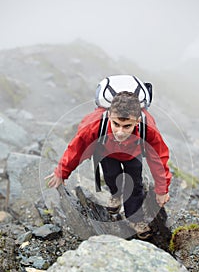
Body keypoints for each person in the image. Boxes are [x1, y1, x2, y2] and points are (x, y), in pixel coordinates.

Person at [45, 91, 172, 239]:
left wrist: (162, 189)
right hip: (106, 152)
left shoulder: (148, 128)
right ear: (110, 116)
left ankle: (135, 220)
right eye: (116, 124)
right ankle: (116, 195)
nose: (120, 132)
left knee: (135, 185)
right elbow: (76, 149)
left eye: (127, 126)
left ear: (137, 121)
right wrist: (62, 172)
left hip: (133, 154)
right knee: (111, 177)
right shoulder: (95, 125)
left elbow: (159, 158)